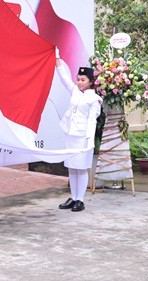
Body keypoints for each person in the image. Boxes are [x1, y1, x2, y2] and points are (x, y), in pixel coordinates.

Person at [55, 48, 102, 212]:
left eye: (83, 79)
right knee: (72, 167)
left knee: (81, 168)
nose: (79, 82)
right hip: (70, 134)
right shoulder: (75, 91)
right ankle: (73, 197)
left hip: (83, 137)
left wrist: (89, 141)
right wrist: (57, 58)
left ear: (90, 82)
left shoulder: (94, 99)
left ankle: (80, 199)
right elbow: (64, 78)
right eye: (78, 79)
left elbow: (92, 121)